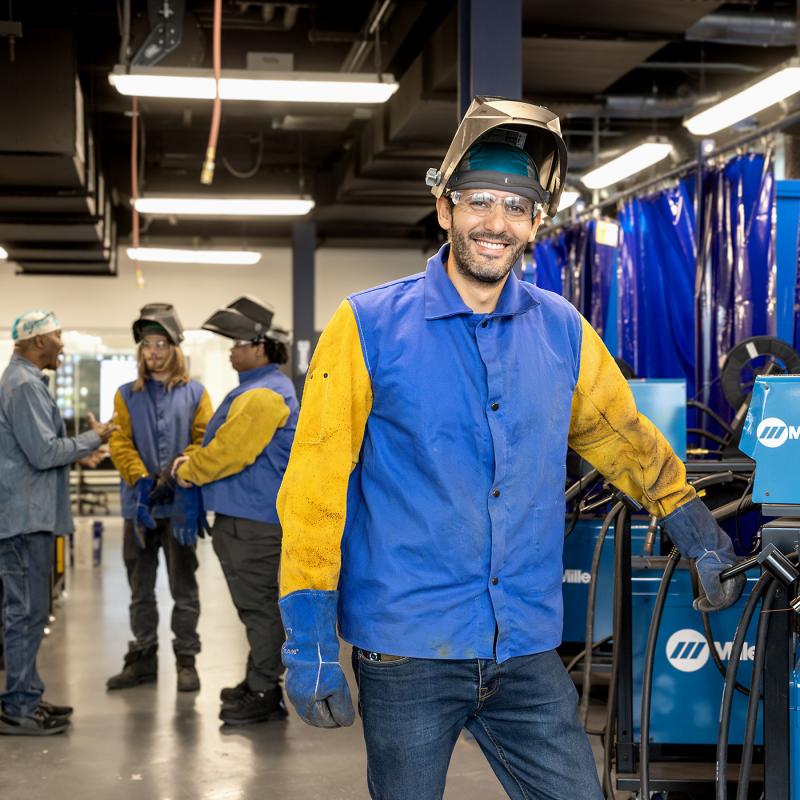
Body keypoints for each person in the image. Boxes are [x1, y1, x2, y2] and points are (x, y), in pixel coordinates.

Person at [275, 97, 745, 799]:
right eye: (480, 202)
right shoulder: (366, 326)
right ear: (445, 208)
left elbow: (623, 437)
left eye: (516, 207)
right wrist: (308, 638)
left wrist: (694, 524)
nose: (496, 222)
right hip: (408, 646)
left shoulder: (561, 329)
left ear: (534, 224)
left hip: (523, 643)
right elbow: (315, 482)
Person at [173, 296, 299, 726]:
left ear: (260, 347)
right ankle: (258, 677)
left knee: (259, 608)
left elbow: (232, 452)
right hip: (247, 517)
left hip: (253, 521)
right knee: (256, 606)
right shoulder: (257, 389)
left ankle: (265, 691)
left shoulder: (263, 396)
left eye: (237, 344)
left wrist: (190, 471)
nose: (231, 350)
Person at [0, 310, 116, 736]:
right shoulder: (24, 384)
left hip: (31, 514)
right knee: (24, 614)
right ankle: (17, 706)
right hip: (23, 520)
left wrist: (78, 454)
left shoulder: (26, 381)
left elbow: (33, 453)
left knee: (29, 613)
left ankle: (27, 695)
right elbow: (43, 453)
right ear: (36, 343)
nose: (63, 344)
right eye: (57, 336)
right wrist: (94, 438)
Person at [107, 303, 212, 692]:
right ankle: (144, 659)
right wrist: (142, 478)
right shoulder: (124, 396)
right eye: (147, 344)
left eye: (161, 343)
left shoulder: (197, 394)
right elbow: (119, 442)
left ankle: (187, 660)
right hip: (140, 507)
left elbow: (204, 440)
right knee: (140, 588)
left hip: (181, 508)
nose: (153, 351)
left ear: (175, 347)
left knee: (184, 589)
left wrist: (180, 471)